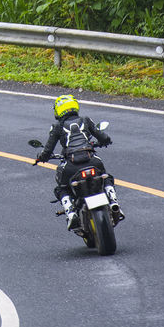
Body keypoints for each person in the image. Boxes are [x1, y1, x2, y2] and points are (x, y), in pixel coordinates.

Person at [33, 94, 122, 228]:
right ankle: (114, 203)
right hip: (91, 159)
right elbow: (104, 137)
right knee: (106, 178)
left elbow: (47, 150)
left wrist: (41, 157)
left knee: (62, 188)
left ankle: (71, 212)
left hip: (71, 165)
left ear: (58, 110)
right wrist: (105, 142)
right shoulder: (85, 120)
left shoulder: (57, 126)